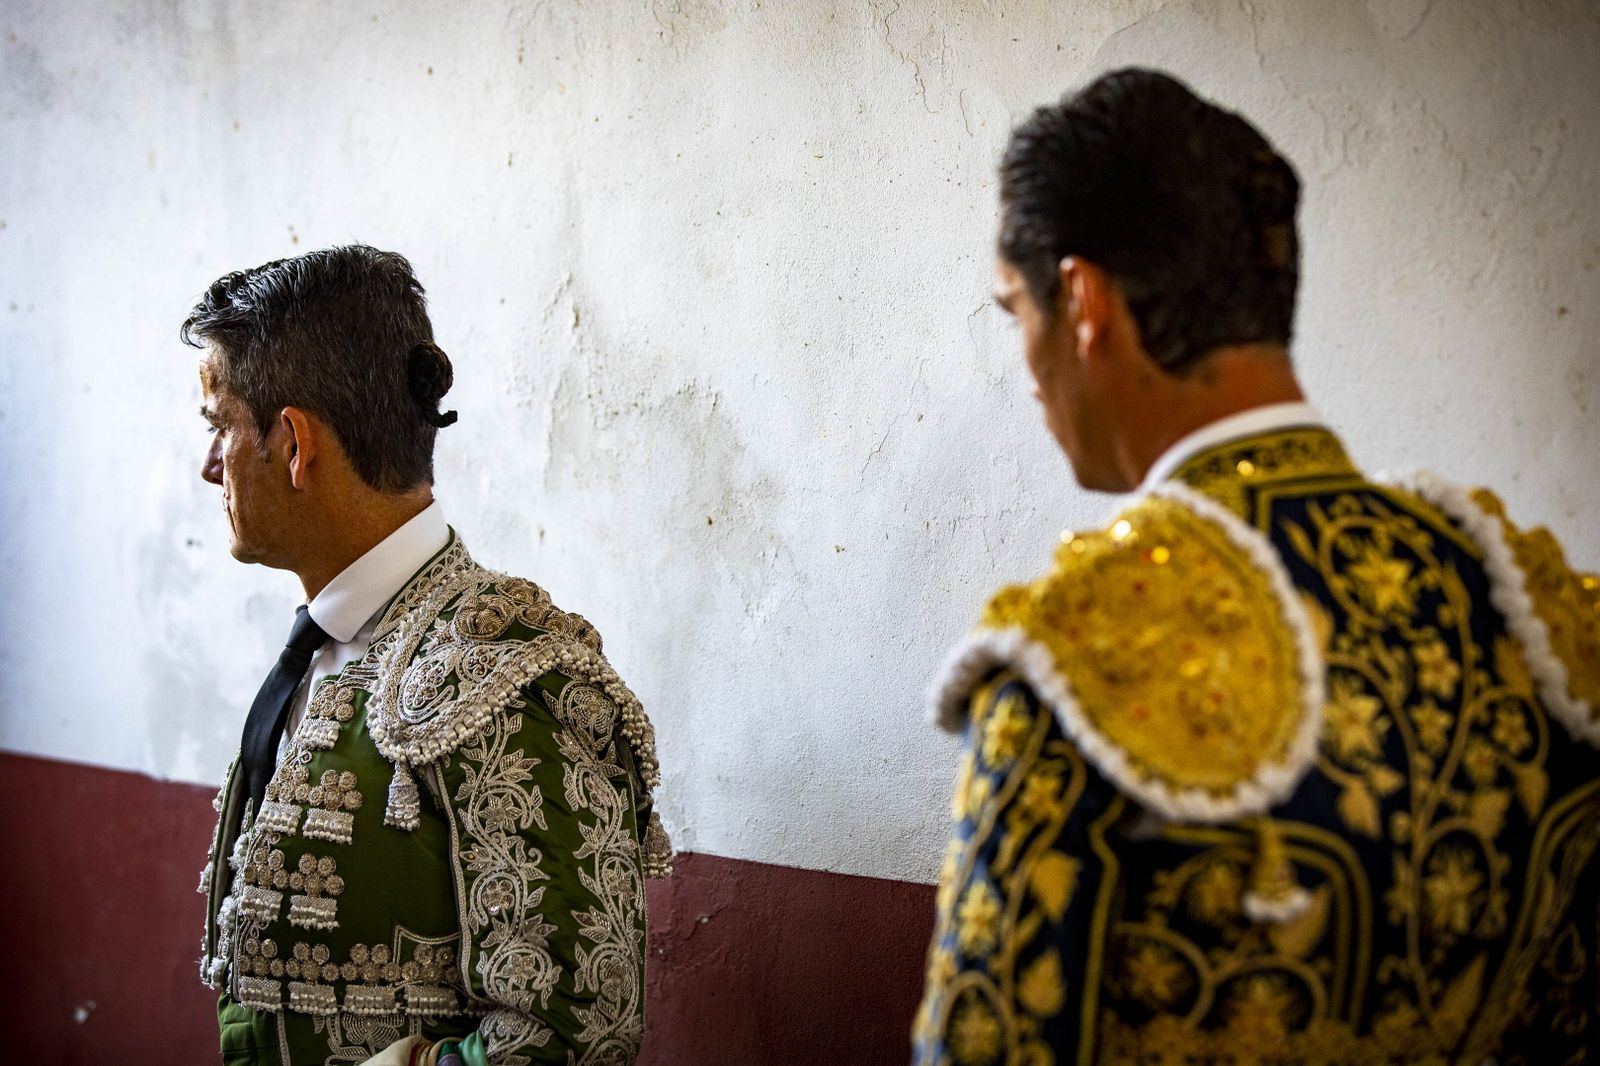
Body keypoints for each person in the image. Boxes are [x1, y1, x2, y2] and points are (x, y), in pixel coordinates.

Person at [913, 68, 1599, 1064]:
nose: (1026, 365)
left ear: (1082, 299)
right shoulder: (1536, 615)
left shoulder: (1081, 657)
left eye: (1015, 309)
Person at [187, 245, 672, 1066]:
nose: (209, 466)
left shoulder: (512, 673)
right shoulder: (327, 647)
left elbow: (572, 1035)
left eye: (220, 426)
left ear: (295, 441)